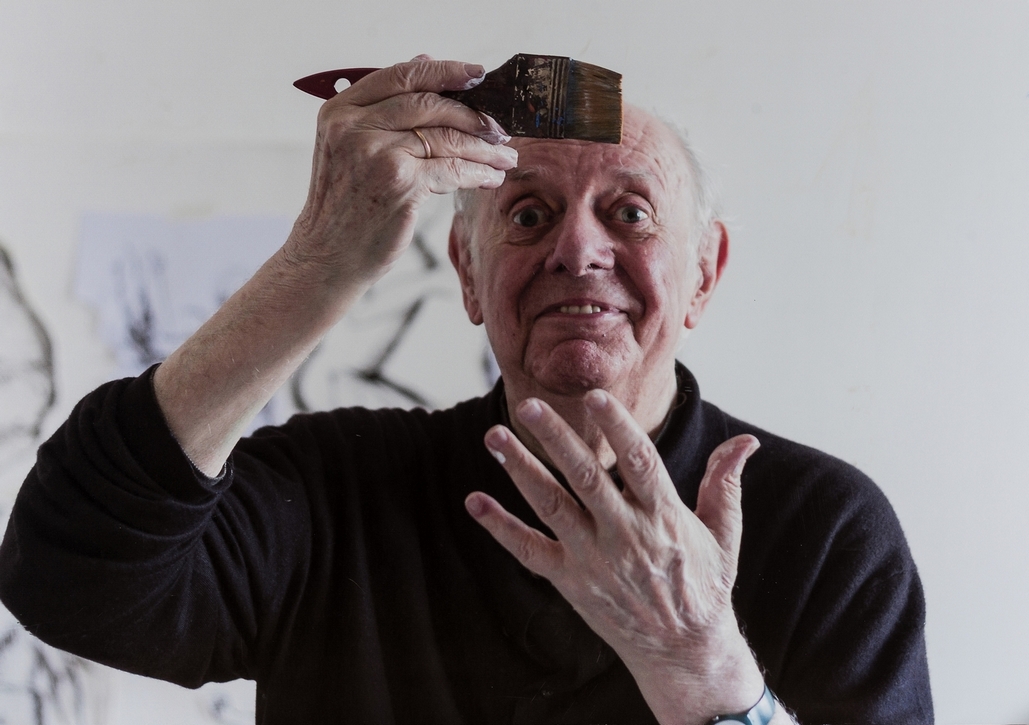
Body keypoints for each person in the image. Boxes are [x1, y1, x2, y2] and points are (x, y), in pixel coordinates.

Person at [0, 57, 932, 724]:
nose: (577, 249)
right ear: (467, 271)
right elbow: (68, 577)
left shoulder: (824, 531)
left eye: (629, 211)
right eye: (527, 213)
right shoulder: (335, 492)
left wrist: (704, 667)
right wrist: (318, 265)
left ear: (703, 273)